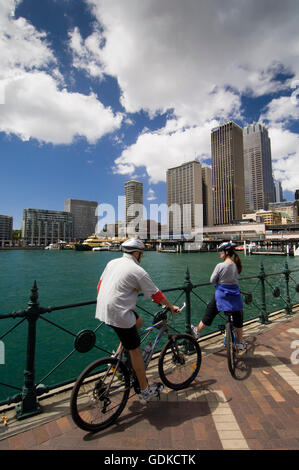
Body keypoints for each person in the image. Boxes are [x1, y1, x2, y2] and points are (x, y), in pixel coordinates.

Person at [95, 238, 180, 404]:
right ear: (136, 253)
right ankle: (145, 390)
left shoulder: (112, 262)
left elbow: (99, 286)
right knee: (136, 351)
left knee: (138, 322)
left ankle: (118, 356)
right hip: (120, 314)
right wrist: (170, 306)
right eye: (141, 254)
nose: (142, 257)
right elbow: (156, 295)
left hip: (103, 310)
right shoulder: (137, 270)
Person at [191, 242, 247, 351]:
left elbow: (212, 280)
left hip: (221, 295)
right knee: (238, 317)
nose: (220, 253)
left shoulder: (220, 266)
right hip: (235, 295)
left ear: (226, 252)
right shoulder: (235, 265)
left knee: (209, 314)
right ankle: (240, 343)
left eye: (221, 251)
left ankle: (197, 332)